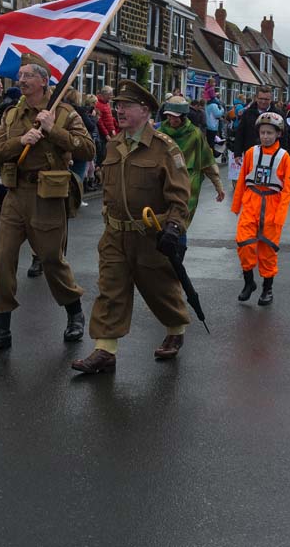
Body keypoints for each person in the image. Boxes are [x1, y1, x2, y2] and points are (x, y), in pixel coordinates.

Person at [70, 81, 192, 374]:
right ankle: (105, 350)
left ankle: (176, 327)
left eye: (126, 106)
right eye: (118, 105)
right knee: (110, 290)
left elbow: (179, 196)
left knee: (160, 289)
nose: (119, 110)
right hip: (114, 234)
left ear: (145, 110)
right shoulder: (114, 144)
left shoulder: (165, 148)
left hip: (150, 234)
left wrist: (174, 227)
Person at [0, 53, 95, 355]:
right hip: (16, 196)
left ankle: (75, 314)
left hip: (48, 196)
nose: (21, 80)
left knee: (52, 260)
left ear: (44, 81)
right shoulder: (11, 115)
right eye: (20, 75)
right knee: (3, 260)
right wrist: (21, 142)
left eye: (28, 75)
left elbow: (88, 149)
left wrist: (53, 129)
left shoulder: (65, 112)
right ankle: (1, 330)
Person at [232, 112, 290, 306]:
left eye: (270, 133)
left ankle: (268, 289)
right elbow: (242, 179)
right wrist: (237, 205)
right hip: (251, 203)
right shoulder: (251, 153)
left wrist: (280, 216)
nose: (266, 136)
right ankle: (249, 282)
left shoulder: (284, 157)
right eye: (262, 132)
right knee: (244, 243)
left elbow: (288, 188)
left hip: (272, 207)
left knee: (267, 251)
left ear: (278, 134)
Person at [158, 97, 225, 235]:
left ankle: (177, 250)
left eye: (175, 117)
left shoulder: (195, 134)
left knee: (178, 225)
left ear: (183, 116)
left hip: (187, 186)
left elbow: (207, 161)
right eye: (169, 116)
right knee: (160, 223)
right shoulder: (160, 134)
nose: (172, 120)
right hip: (162, 184)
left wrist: (218, 185)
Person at [234, 88, 275, 157]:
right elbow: (240, 133)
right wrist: (237, 153)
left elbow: (283, 136)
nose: (263, 101)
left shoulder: (277, 114)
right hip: (250, 152)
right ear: (256, 98)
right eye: (261, 98)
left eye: (266, 99)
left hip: (272, 154)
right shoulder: (247, 113)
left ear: (271, 99)